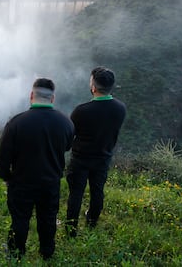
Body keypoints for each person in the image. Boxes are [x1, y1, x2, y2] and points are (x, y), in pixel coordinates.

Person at [0, 78, 74, 260]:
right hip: (50, 182)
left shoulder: (15, 123)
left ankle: (16, 253)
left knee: (20, 219)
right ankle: (47, 253)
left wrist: (7, 177)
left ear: (31, 95)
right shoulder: (66, 124)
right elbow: (66, 147)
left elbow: (3, 158)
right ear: (53, 98)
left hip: (21, 182)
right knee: (47, 218)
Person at [65, 67, 126, 237]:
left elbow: (70, 136)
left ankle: (71, 229)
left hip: (80, 159)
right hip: (103, 158)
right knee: (97, 191)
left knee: (76, 193)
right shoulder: (120, 109)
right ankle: (92, 222)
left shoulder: (81, 111)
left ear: (93, 86)